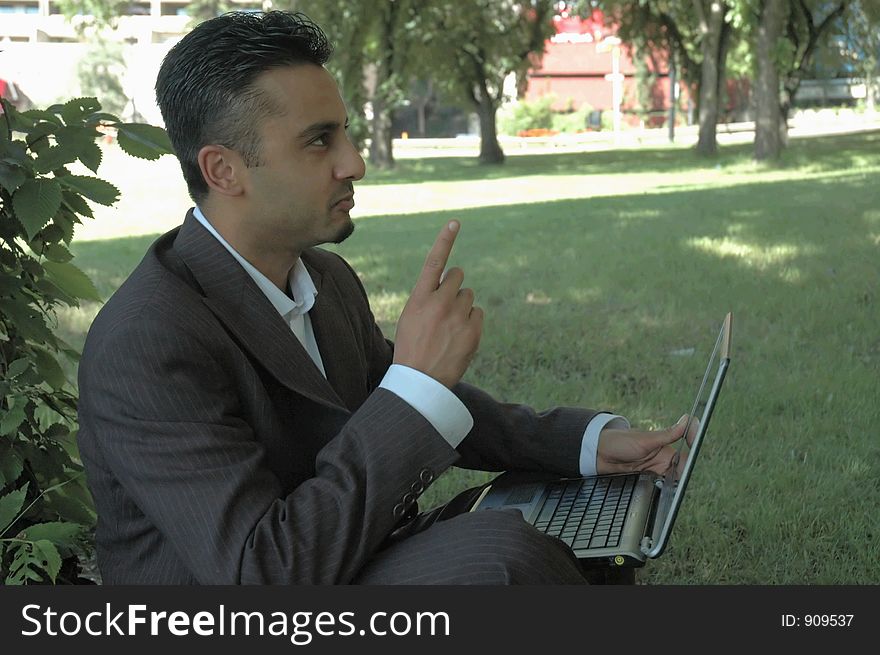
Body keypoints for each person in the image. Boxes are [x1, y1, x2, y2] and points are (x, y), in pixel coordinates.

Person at [77, 11, 691, 585]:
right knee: (506, 559)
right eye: (319, 141)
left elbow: (390, 398)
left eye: (345, 133)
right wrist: (418, 383)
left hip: (346, 557)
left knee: (564, 512)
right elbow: (262, 569)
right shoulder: (148, 339)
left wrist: (581, 445)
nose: (356, 162)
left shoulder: (325, 278)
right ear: (224, 170)